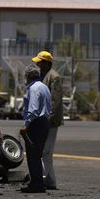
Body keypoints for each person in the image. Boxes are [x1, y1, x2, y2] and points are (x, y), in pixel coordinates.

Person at [31, 51, 63, 190]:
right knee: (45, 151)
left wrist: (48, 117)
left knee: (46, 151)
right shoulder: (43, 75)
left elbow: (55, 100)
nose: (37, 64)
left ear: (46, 63)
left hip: (50, 120)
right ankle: (49, 180)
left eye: (40, 62)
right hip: (43, 118)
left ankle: (47, 180)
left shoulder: (54, 77)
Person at [19, 64, 52, 193]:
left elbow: (33, 110)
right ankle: (38, 182)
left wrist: (25, 126)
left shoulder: (33, 89)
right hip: (44, 123)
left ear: (28, 76)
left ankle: (36, 184)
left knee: (33, 155)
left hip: (35, 124)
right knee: (37, 155)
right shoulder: (44, 87)